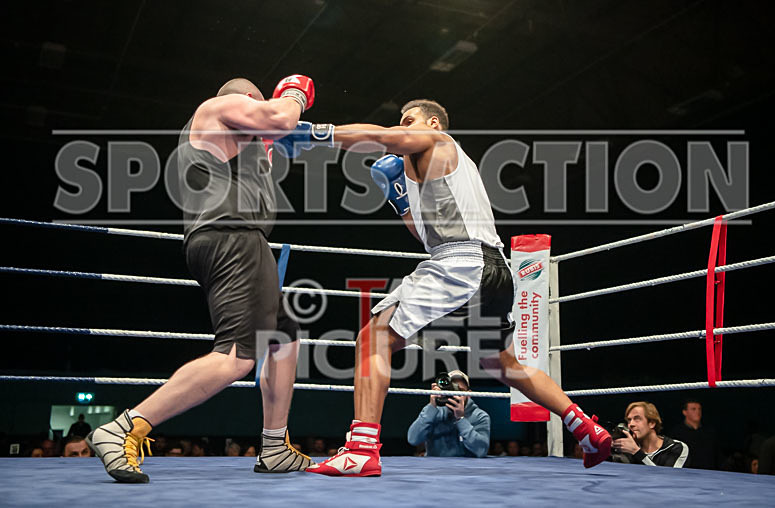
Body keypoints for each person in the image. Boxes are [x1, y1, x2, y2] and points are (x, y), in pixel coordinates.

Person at [278, 100, 611, 477]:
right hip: (493, 271)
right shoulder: (445, 169)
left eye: (409, 120)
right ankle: (584, 426)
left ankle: (361, 449)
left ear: (432, 122)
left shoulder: (436, 139)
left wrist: (316, 135)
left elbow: (382, 138)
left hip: (461, 263)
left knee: (374, 337)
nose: (402, 127)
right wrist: (400, 200)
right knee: (502, 363)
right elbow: (427, 235)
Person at [87, 76, 316, 483]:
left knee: (283, 336)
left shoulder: (238, 144)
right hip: (232, 237)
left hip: (237, 239)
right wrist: (294, 94)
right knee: (236, 355)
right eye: (256, 108)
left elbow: (277, 137)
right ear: (246, 102)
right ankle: (125, 426)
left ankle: (275, 445)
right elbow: (279, 118)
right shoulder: (216, 107)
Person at [407, 370, 490, 457]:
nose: (455, 393)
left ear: (469, 394)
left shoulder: (480, 416)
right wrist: (431, 406)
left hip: (466, 468)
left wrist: (460, 419)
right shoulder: (435, 412)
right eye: (452, 389)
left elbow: (481, 451)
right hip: (435, 468)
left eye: (460, 390)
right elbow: (413, 439)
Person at [612, 401, 689, 468]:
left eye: (637, 419)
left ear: (651, 423)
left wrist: (637, 453)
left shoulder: (676, 448)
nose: (631, 424)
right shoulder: (627, 448)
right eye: (629, 420)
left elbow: (668, 479)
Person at [669, 399, 719, 469]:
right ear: (685, 412)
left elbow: (716, 454)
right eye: (693, 409)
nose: (697, 412)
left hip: (708, 472)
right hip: (686, 473)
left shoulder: (709, 431)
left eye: (699, 409)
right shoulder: (677, 432)